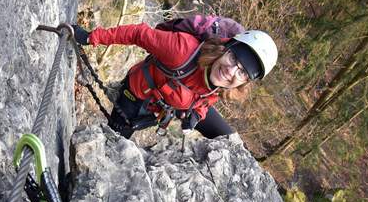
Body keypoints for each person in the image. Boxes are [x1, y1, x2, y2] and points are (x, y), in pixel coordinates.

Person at [72, 22, 277, 139]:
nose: (231, 71)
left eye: (241, 72)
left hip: (160, 110)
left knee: (228, 136)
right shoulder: (181, 50)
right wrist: (91, 37)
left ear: (244, 82)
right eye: (233, 58)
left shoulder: (222, 85)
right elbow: (138, 34)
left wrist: (197, 114)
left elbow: (204, 99)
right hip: (135, 98)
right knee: (115, 140)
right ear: (225, 49)